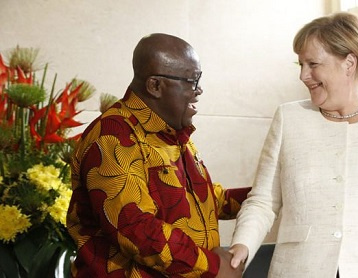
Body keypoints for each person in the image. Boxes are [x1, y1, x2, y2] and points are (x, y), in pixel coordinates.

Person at [228, 12, 358, 277]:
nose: (304, 75)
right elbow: (263, 201)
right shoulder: (289, 118)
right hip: (302, 269)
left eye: (313, 64)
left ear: (349, 63)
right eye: (301, 65)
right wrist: (242, 245)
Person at [67, 33, 250, 277]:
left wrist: (268, 195)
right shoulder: (113, 136)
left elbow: (208, 200)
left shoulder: (171, 134)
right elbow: (135, 228)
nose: (199, 90)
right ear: (155, 85)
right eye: (191, 81)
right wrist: (213, 268)